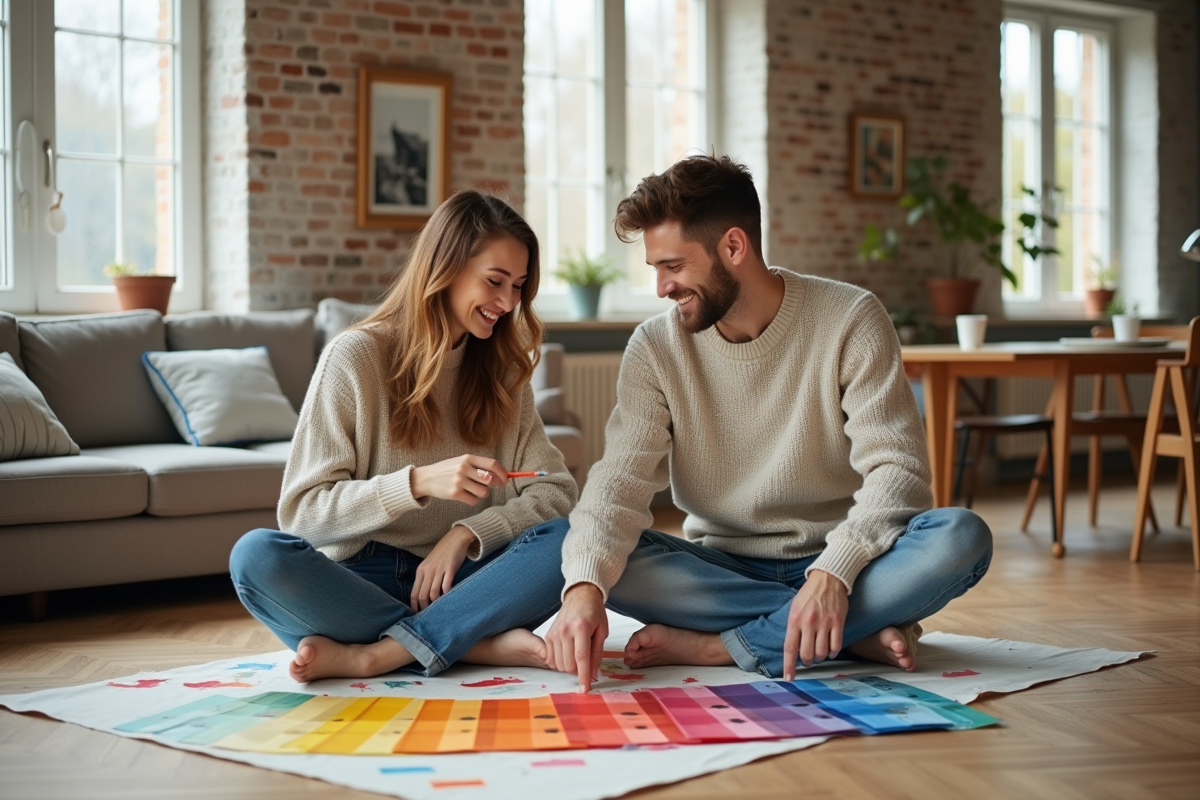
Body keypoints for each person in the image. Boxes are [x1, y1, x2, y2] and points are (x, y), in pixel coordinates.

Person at [545, 154, 992, 692]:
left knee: (960, 537)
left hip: (842, 560)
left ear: (734, 247)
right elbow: (618, 481)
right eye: (655, 270)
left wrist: (832, 574)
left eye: (674, 267)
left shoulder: (851, 318)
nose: (661, 288)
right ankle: (844, 632)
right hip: (720, 569)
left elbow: (899, 472)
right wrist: (583, 593)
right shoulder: (655, 347)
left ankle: (727, 645)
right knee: (589, 553)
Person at [230, 190, 578, 683]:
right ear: (445, 269)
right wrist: (413, 484)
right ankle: (470, 643)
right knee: (255, 556)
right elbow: (302, 515)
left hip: (460, 583)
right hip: (358, 578)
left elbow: (557, 491)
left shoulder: (503, 374)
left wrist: (467, 533)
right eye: (495, 281)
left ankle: (377, 653)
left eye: (519, 286)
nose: (508, 303)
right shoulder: (354, 357)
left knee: (569, 538)